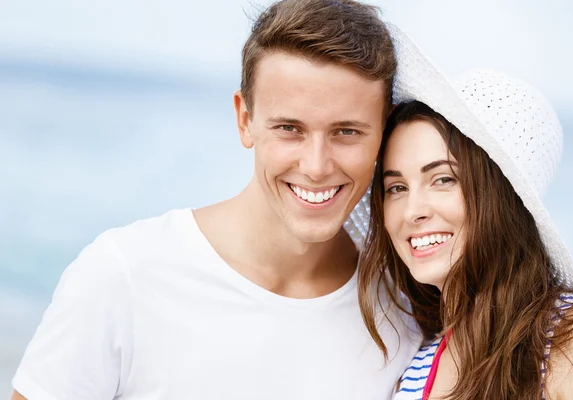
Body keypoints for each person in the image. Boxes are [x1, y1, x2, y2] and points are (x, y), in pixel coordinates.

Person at [10, 1, 422, 399]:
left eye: (346, 132)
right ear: (245, 120)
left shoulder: (403, 309)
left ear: (384, 134)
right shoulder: (122, 276)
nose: (316, 166)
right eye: (289, 128)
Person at [356, 29, 573, 399]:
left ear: (499, 197)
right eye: (397, 188)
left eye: (442, 179)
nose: (412, 211)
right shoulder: (413, 374)